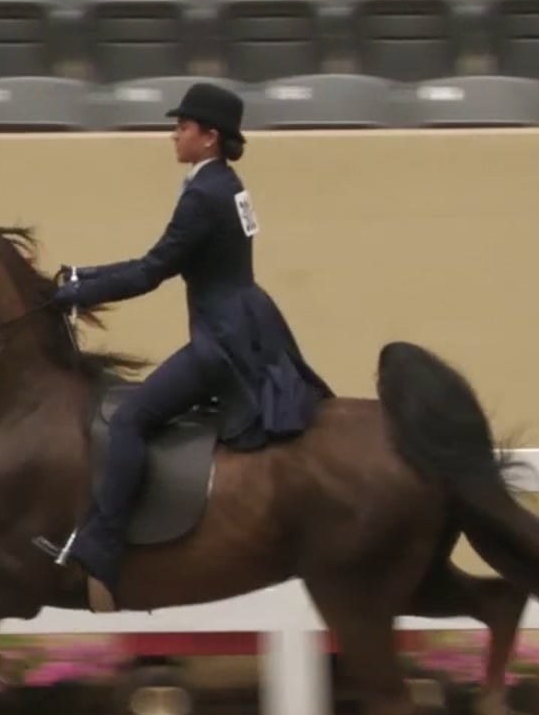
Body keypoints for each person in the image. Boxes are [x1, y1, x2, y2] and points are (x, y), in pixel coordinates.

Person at [34, 81, 333, 601]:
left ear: (210, 137)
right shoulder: (226, 184)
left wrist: (76, 294)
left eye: (183, 128)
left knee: (130, 418)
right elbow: (163, 259)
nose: (174, 135)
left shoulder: (203, 195)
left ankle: (102, 542)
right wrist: (84, 276)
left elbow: (153, 270)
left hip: (222, 339)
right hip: (247, 321)